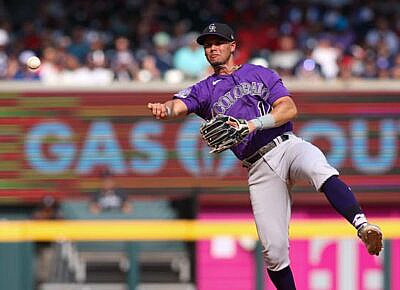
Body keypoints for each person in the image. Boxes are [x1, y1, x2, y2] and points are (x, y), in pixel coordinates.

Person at [147, 23, 383, 289]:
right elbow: (177, 105)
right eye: (208, 44)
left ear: (232, 46)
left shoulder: (258, 73)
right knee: (274, 252)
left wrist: (252, 125)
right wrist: (164, 109)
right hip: (258, 166)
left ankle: (362, 226)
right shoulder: (205, 89)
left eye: (218, 42)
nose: (212, 48)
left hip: (286, 145)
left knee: (319, 166)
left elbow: (289, 108)